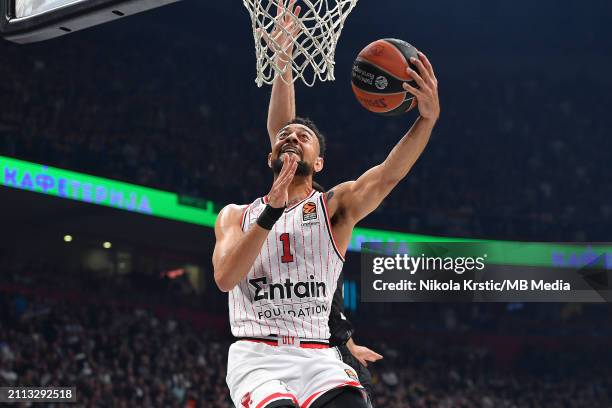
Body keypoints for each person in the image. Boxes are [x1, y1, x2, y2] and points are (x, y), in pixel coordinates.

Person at [212, 1, 440, 407]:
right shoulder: (235, 216)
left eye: (304, 136)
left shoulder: (334, 208)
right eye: (286, 136)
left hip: (318, 355)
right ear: (272, 153)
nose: (292, 136)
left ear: (318, 163)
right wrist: (271, 211)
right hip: (256, 356)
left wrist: (426, 120)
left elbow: (388, 173)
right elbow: (227, 278)